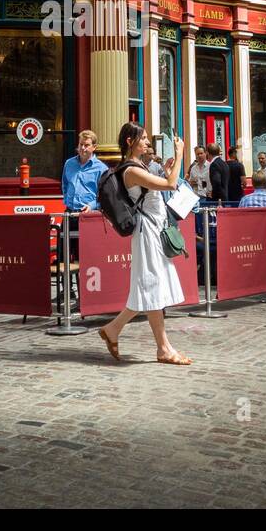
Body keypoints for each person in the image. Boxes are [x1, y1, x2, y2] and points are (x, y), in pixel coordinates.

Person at [96, 124, 191, 366]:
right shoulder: (131, 169)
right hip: (147, 232)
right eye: (144, 138)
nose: (147, 142)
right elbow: (170, 185)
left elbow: (158, 187)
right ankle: (162, 348)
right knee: (150, 287)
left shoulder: (140, 166)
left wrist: (166, 170)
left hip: (153, 230)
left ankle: (118, 331)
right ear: (130, 141)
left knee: (151, 288)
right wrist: (180, 153)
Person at [61, 130, 106, 214]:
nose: (82, 148)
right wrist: (67, 199)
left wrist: (92, 206)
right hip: (69, 212)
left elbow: (105, 196)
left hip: (89, 213)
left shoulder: (101, 169)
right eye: (81, 144)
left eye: (86, 145)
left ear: (94, 147)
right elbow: (65, 184)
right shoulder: (69, 163)